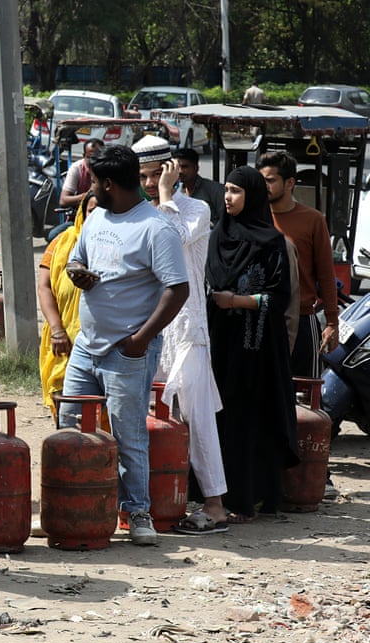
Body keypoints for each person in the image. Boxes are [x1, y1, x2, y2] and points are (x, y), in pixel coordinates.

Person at [60, 144, 189, 546]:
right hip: (87, 346)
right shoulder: (96, 216)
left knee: (128, 435)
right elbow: (75, 259)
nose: (90, 189)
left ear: (110, 183)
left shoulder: (155, 228)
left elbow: (177, 289)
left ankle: (137, 512)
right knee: (70, 427)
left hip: (126, 351)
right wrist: (78, 272)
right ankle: (78, 506)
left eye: (95, 182)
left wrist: (140, 340)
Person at [132, 135, 228, 532]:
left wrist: (169, 195)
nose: (151, 183)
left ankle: (215, 505)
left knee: (197, 417)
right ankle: (145, 505)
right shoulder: (137, 212)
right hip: (150, 328)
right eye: (144, 176)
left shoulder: (196, 209)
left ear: (170, 169)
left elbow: (173, 239)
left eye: (158, 174)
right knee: (143, 418)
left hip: (187, 330)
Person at [206, 166, 299, 522]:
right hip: (220, 346)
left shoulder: (272, 242)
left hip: (255, 350)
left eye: (235, 191)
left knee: (250, 421)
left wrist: (238, 302)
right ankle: (214, 496)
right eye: (226, 190)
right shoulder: (218, 235)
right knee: (218, 418)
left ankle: (251, 498)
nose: (228, 198)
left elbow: (278, 298)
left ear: (253, 197)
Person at [259, 150, 338, 378]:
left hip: (302, 320)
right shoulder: (253, 218)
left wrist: (332, 322)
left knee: (304, 395)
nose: (264, 186)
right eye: (261, 180)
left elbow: (325, 273)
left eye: (270, 180)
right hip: (261, 317)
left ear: (290, 183)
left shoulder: (313, 220)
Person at [38, 191, 96, 419]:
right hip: (63, 341)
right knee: (65, 407)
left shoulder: (116, 244)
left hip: (100, 341)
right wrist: (57, 331)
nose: (96, 216)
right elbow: (44, 287)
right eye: (92, 210)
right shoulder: (61, 242)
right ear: (82, 212)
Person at [174, 147, 226, 226]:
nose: (180, 171)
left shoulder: (215, 190)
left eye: (185, 167)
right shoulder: (177, 192)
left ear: (196, 168)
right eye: (177, 167)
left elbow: (226, 221)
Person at [60, 138, 103, 209]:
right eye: (90, 157)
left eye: (97, 157)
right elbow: (63, 200)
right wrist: (86, 197)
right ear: (84, 156)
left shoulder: (107, 169)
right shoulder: (77, 168)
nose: (93, 161)